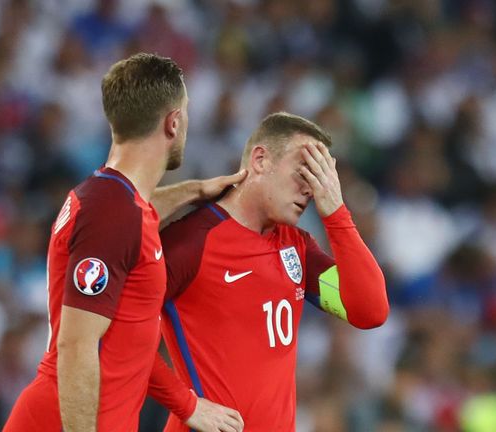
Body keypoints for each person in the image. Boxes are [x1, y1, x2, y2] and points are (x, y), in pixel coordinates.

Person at [4, 53, 245, 432]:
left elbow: (129, 340)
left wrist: (195, 191)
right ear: (173, 122)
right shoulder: (111, 215)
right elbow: (77, 346)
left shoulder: (119, 203)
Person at [147, 112, 390, 431]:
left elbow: (371, 311)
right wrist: (186, 404)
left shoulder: (298, 247)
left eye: (319, 177)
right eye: (304, 172)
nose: (310, 190)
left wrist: (336, 214)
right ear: (260, 160)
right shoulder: (191, 242)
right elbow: (116, 332)